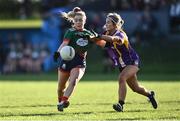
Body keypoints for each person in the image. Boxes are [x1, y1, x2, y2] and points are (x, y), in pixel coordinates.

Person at [92, 13, 158, 112]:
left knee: (121, 78)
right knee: (135, 88)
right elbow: (104, 44)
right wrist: (92, 39)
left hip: (132, 61)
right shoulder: (107, 34)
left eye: (108, 22)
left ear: (115, 24)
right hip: (122, 64)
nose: (106, 24)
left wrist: (100, 36)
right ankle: (150, 95)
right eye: (106, 22)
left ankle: (120, 104)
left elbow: (115, 39)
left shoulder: (120, 34)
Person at [53, 7, 98, 112]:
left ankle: (63, 101)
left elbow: (101, 43)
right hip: (66, 61)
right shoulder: (70, 32)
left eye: (80, 20)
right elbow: (64, 43)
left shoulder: (88, 34)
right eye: (76, 20)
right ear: (73, 21)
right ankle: (61, 100)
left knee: (73, 82)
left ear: (84, 21)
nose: (78, 22)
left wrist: (100, 38)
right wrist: (57, 53)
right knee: (60, 88)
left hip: (79, 62)